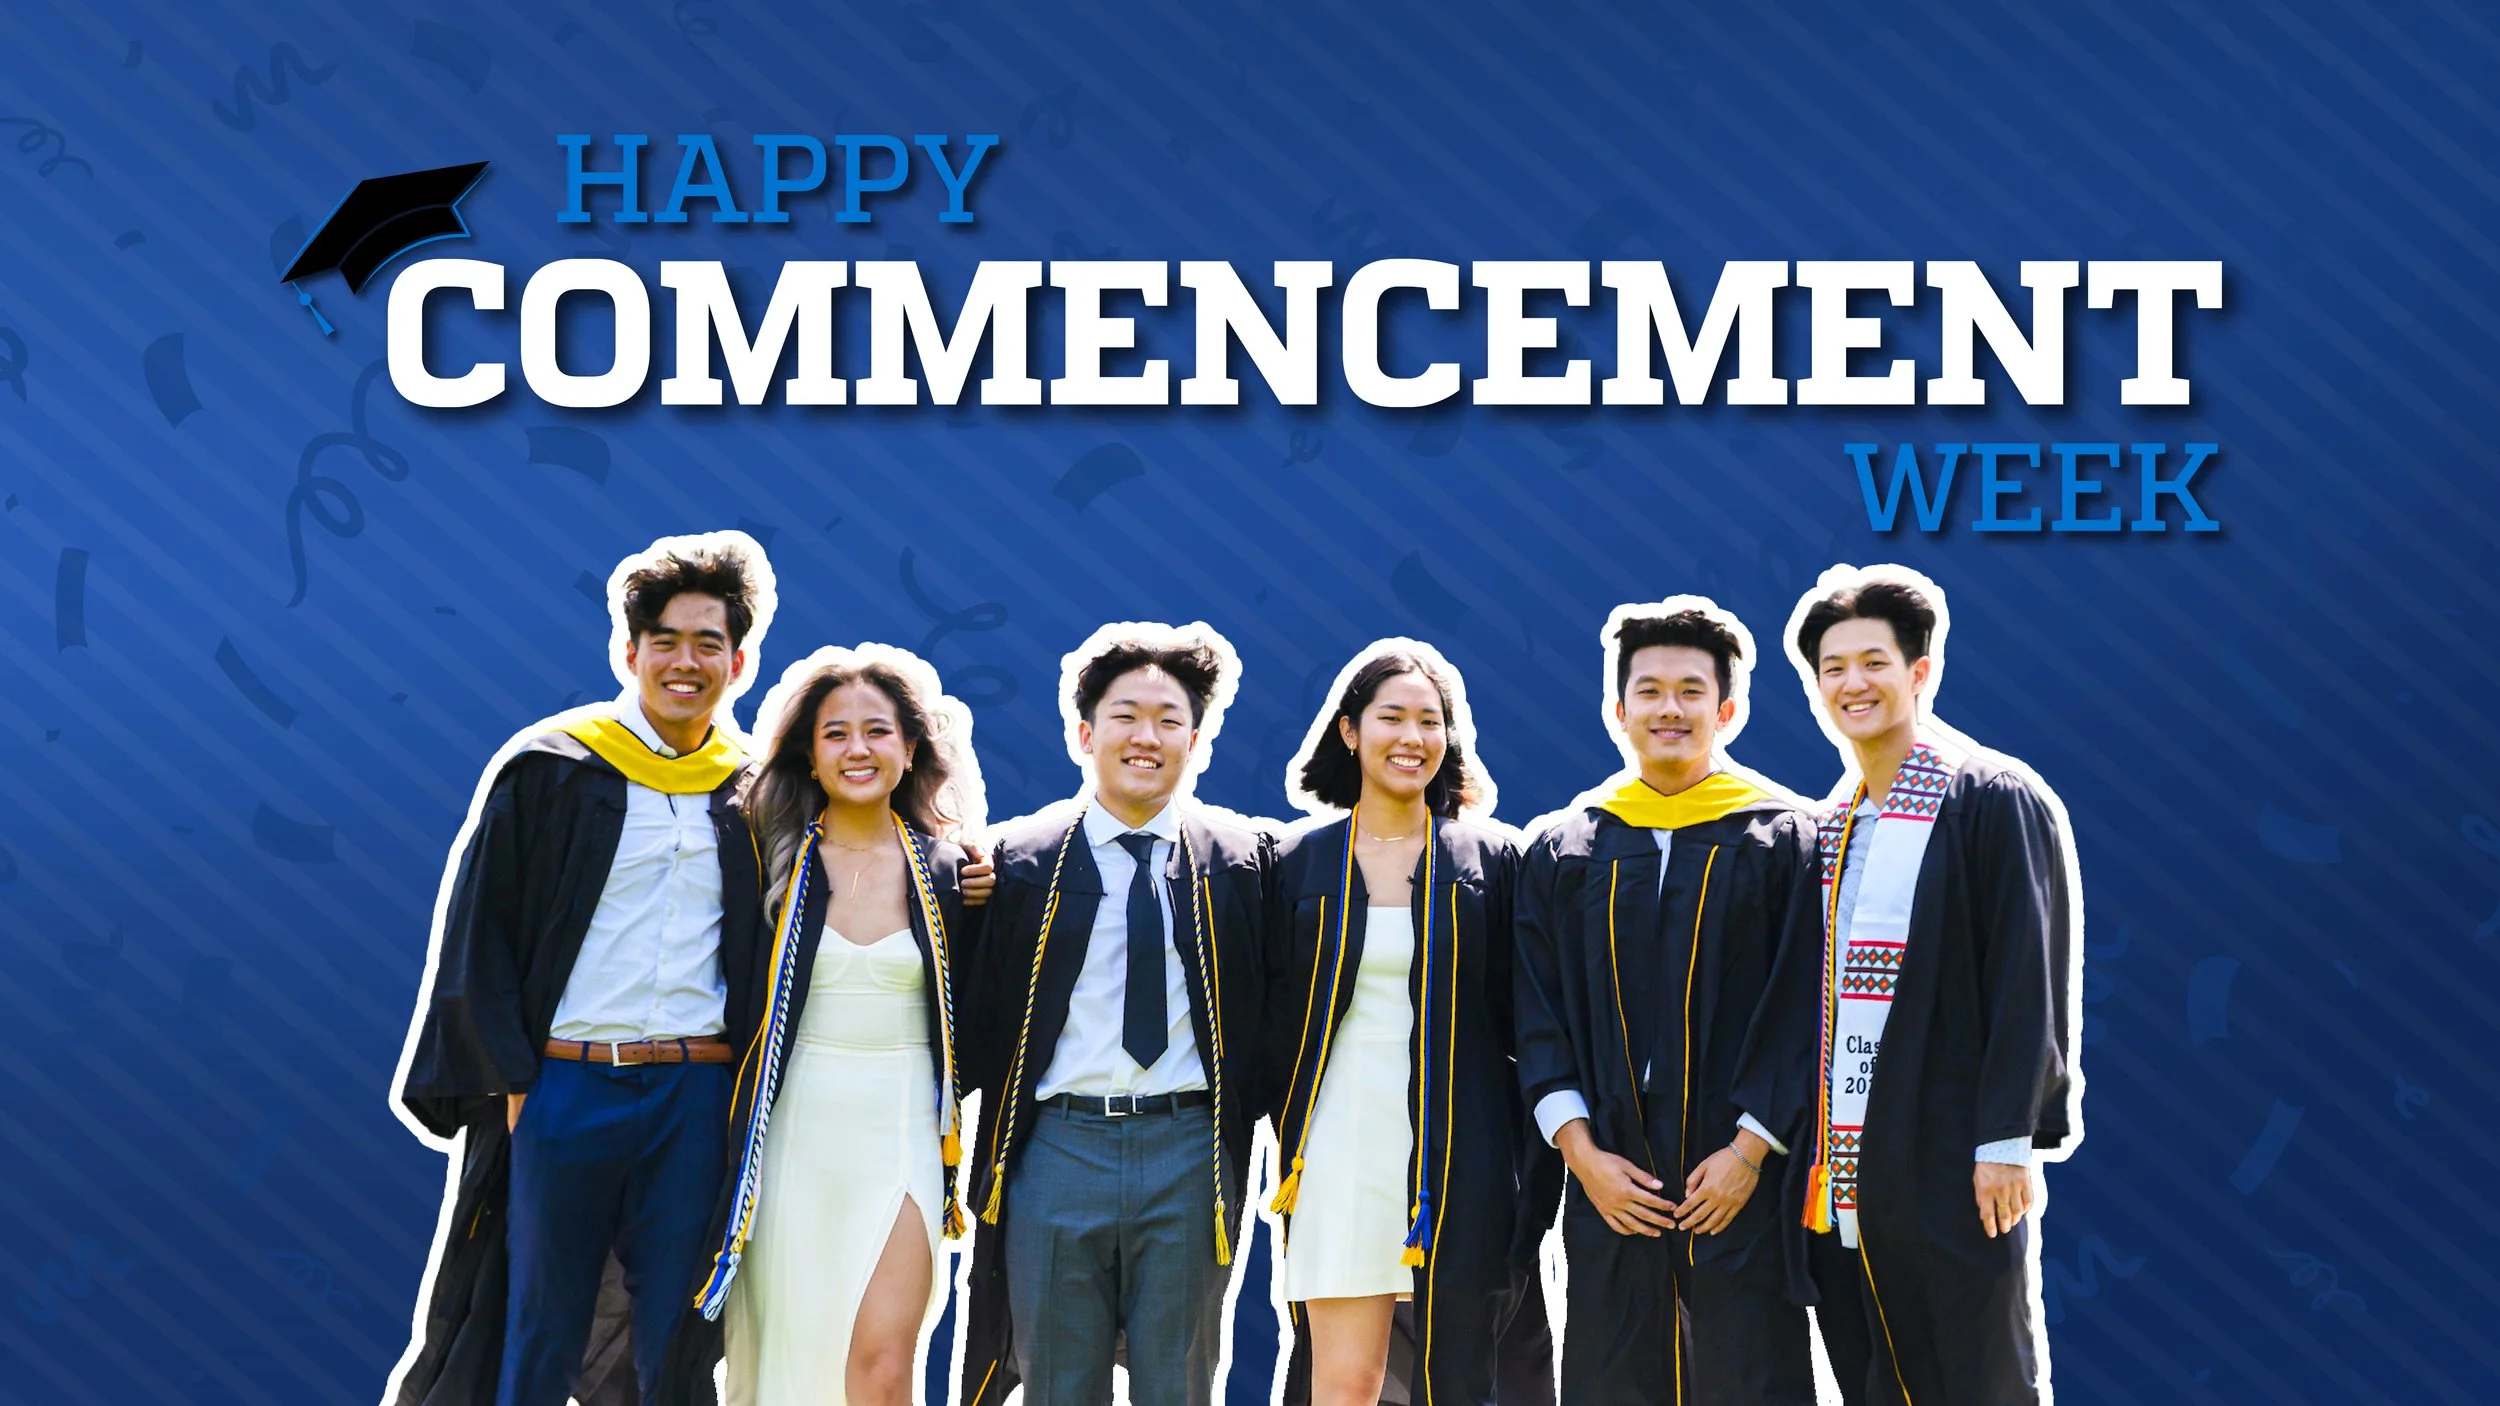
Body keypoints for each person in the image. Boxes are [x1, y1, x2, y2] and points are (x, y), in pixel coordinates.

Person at [387, 533, 775, 1406]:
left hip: (694, 1092)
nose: (687, 662)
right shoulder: (554, 770)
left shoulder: (753, 792)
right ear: (628, 651)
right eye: (666, 641)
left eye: (709, 643)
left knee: (675, 1333)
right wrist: (513, 1083)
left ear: (740, 661)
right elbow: (479, 933)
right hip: (567, 1083)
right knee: (540, 1327)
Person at [1511, 601, 1825, 1405]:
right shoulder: (1567, 845)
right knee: (1614, 1370)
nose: (1669, 709)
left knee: (1746, 1369)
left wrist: (1751, 1152)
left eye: (1691, 690)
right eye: (1649, 691)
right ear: (1619, 711)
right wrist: (1583, 1160)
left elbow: (1804, 1003)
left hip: (1738, 1162)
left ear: (1728, 709)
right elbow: (1536, 1010)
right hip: (1611, 1158)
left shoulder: (1786, 838)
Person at [956, 623, 1277, 1406]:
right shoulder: (1014, 862)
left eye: (1170, 720)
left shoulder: (1241, 862)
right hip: (1056, 1150)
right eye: (1126, 715)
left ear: (1196, 740)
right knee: (1060, 1387)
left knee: (1181, 1385)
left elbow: (1275, 1015)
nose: (1147, 736)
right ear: (1083, 732)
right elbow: (973, 1019)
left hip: (1188, 1150)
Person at [1783, 566, 2082, 1406]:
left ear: (1921, 672)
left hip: (1951, 1155)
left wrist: (2005, 1139)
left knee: (1973, 1372)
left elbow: (2030, 976)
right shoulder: (1832, 825)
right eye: (1832, 668)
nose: (1853, 684)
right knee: (1875, 1372)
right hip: (1848, 1162)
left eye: (1873, 662)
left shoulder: (1987, 796)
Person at [682, 647, 988, 1406]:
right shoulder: (762, 860)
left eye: (878, 731)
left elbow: (985, 1021)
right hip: (792, 1131)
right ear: (809, 756)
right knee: (789, 1351)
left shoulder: (952, 875)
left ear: (910, 748)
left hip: (903, 1128)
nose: (859, 750)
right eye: (836, 734)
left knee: (884, 1363)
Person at [1262, 644, 1557, 1406]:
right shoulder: (1296, 864)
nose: (1412, 736)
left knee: (1461, 1376)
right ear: (1350, 732)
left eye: (1431, 721)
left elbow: (1531, 1013)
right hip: (1339, 1143)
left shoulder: (1495, 859)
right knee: (1346, 1379)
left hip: (1465, 1142)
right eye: (1391, 717)